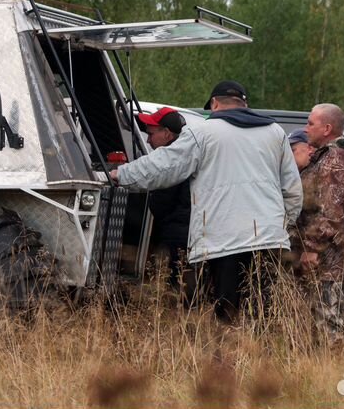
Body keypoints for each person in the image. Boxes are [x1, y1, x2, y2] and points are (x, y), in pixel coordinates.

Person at [111, 81, 303, 322]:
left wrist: (120, 175)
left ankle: (232, 358)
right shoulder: (275, 132)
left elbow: (163, 167)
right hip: (270, 240)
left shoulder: (203, 132)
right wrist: (281, 227)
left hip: (224, 242)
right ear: (244, 104)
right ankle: (259, 356)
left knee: (228, 314)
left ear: (214, 103)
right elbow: (293, 189)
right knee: (262, 313)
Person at [297, 103, 344, 342]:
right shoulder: (334, 157)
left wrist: (312, 248)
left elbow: (330, 212)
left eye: (310, 123)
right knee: (337, 319)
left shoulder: (334, 159)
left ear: (327, 128)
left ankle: (334, 370)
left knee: (330, 323)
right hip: (336, 255)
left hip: (330, 258)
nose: (306, 129)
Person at [136, 107, 191, 290]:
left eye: (151, 133)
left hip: (179, 235)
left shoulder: (170, 162)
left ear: (167, 134)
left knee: (179, 289)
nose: (148, 140)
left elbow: (161, 205)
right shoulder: (187, 155)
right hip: (190, 233)